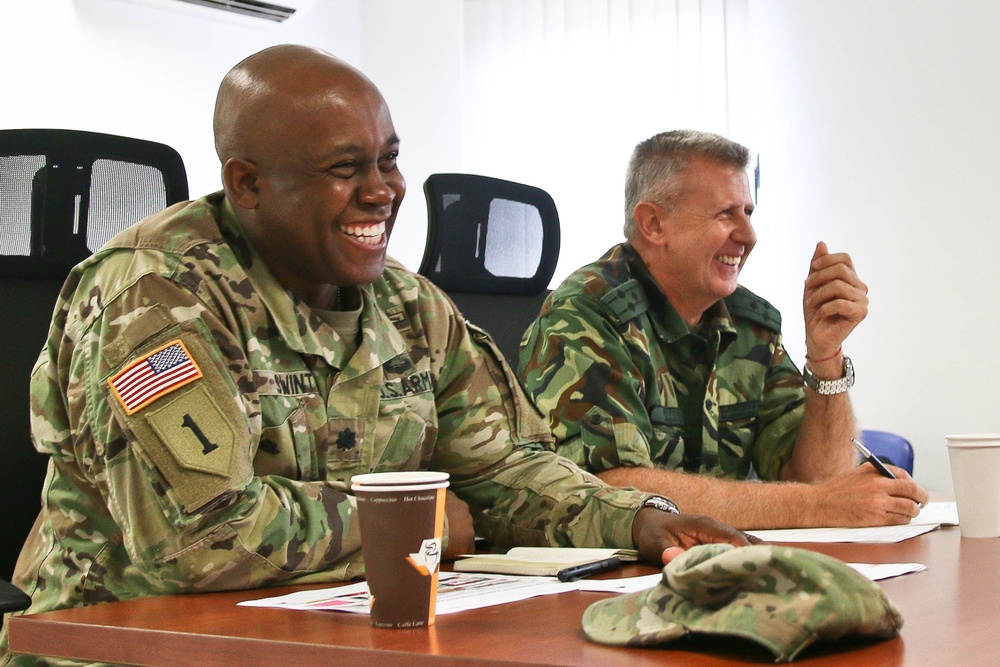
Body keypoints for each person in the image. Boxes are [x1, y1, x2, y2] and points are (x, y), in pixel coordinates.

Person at [0, 48, 752, 664]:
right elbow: (201, 540)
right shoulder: (156, 295)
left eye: (389, 161)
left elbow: (502, 470)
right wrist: (410, 522)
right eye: (344, 168)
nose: (383, 191)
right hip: (125, 646)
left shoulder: (408, 303)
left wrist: (641, 520)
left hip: (323, 637)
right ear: (248, 184)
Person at [518, 129, 928, 530]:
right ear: (654, 224)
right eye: (725, 214)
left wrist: (826, 357)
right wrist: (815, 505)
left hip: (712, 565)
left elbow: (814, 477)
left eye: (748, 213)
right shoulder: (586, 313)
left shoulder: (751, 323)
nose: (749, 236)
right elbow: (612, 490)